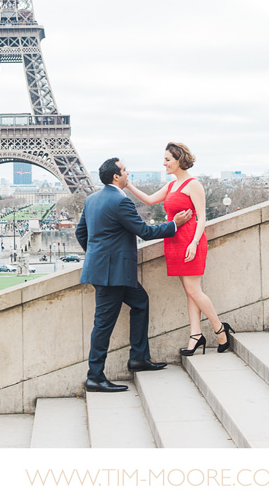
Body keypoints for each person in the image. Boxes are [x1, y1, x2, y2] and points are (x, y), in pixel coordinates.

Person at [76, 157, 193, 393]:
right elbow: (145, 232)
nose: (128, 173)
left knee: (140, 302)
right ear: (116, 177)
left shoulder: (92, 199)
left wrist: (97, 256)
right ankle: (95, 376)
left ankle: (139, 357)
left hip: (108, 271)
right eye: (125, 170)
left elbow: (81, 233)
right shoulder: (121, 202)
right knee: (103, 324)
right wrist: (175, 224)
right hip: (113, 274)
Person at [126, 142, 234, 355]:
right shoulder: (172, 186)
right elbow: (148, 200)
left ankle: (220, 330)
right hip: (174, 241)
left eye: (167, 159)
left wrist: (194, 242)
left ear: (178, 160)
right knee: (189, 291)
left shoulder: (193, 184)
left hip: (189, 240)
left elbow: (202, 216)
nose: (164, 163)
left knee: (194, 290)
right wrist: (127, 184)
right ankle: (195, 335)